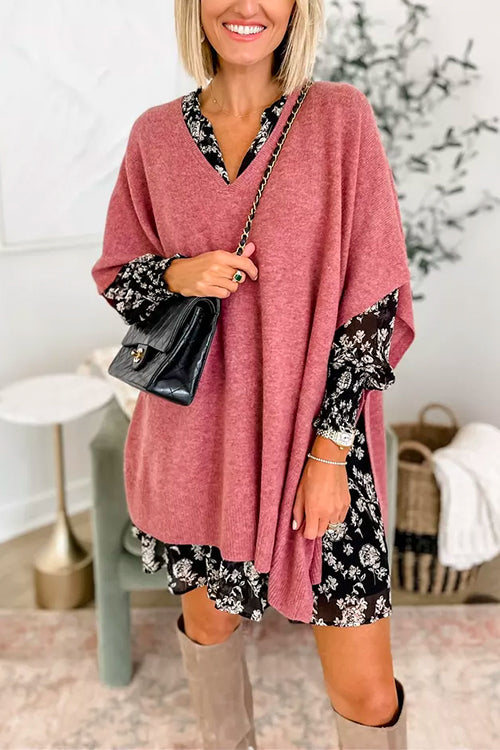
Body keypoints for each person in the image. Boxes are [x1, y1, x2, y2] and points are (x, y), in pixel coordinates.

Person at [91, 1, 416, 748]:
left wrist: (329, 455)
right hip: (196, 445)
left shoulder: (338, 118)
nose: (246, 6)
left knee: (366, 693)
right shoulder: (154, 136)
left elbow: (374, 303)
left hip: (320, 443)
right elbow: (119, 277)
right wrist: (177, 273)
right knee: (210, 631)